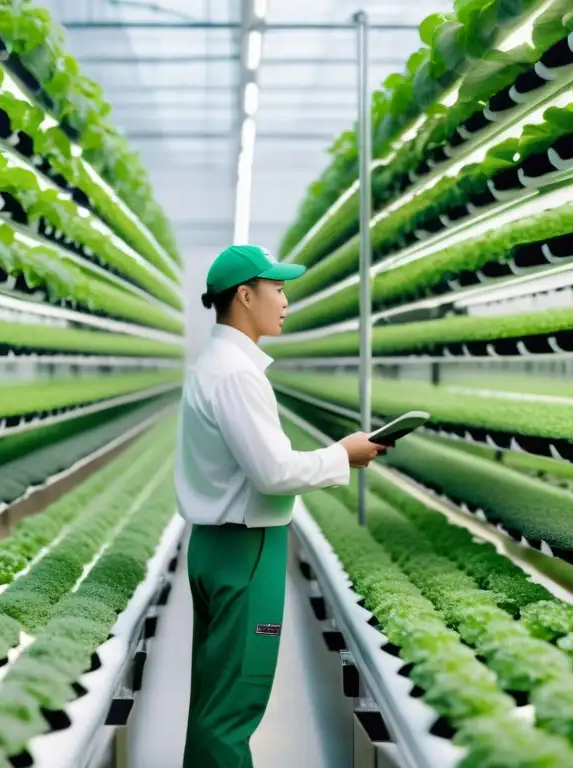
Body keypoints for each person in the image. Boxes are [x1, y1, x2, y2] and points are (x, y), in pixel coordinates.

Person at [174, 244, 389, 768]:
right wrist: (344, 454)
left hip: (217, 548)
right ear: (245, 296)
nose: (285, 299)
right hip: (246, 551)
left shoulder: (217, 364)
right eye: (278, 288)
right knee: (233, 707)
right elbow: (272, 473)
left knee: (212, 701)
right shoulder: (236, 374)